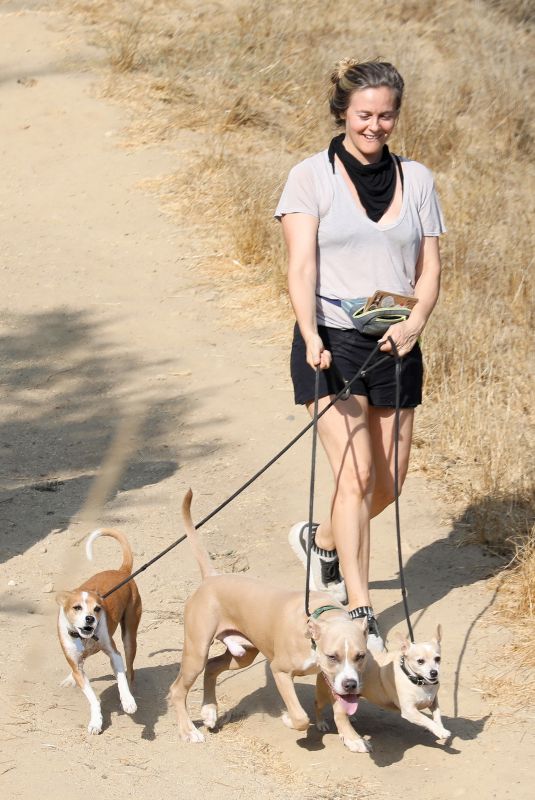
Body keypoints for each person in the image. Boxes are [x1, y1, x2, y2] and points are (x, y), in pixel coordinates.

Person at [275, 59, 445, 651]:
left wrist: (416, 322)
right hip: (332, 338)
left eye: (386, 115)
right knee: (357, 473)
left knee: (391, 481)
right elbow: (301, 266)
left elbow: (429, 268)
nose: (376, 125)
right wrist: (311, 334)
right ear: (343, 112)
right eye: (365, 114)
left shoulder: (418, 179)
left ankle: (322, 541)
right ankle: (360, 604)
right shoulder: (309, 177)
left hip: (396, 334)